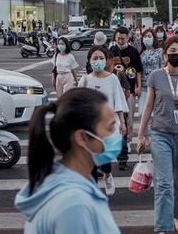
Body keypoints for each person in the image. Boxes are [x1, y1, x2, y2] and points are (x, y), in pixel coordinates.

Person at [15, 88, 121, 234]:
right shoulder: (74, 204)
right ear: (82, 138)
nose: (116, 134)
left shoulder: (67, 182)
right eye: (110, 128)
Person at [137, 36, 178, 233]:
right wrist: (141, 134)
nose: (176, 55)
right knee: (164, 183)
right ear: (165, 55)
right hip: (160, 133)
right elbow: (148, 106)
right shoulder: (156, 75)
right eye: (172, 52)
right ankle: (163, 226)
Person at [79, 46, 128, 197]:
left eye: (101, 58)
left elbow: (118, 100)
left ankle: (107, 174)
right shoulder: (85, 80)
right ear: (89, 61)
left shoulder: (112, 78)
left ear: (106, 60)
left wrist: (122, 122)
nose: (98, 61)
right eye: (95, 58)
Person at [110, 26, 142, 168]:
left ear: (128, 38)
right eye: (118, 38)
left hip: (129, 88)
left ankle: (128, 141)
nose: (121, 40)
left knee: (128, 118)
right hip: (113, 90)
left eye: (123, 38)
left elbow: (139, 70)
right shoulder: (111, 51)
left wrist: (138, 86)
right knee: (115, 119)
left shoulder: (133, 52)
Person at [139, 28, 163, 127]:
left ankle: (154, 136)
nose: (147, 38)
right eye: (145, 37)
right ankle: (146, 135)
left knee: (155, 114)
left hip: (157, 86)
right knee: (141, 112)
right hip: (144, 86)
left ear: (154, 38)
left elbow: (163, 67)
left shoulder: (159, 51)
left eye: (149, 36)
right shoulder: (141, 54)